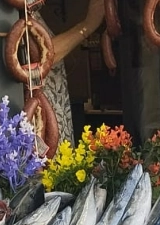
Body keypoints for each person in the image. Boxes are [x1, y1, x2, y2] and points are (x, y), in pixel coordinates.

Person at [31, 0, 107, 148]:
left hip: (56, 109)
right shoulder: (21, 12)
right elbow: (44, 55)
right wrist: (88, 25)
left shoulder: (34, 11)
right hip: (42, 114)